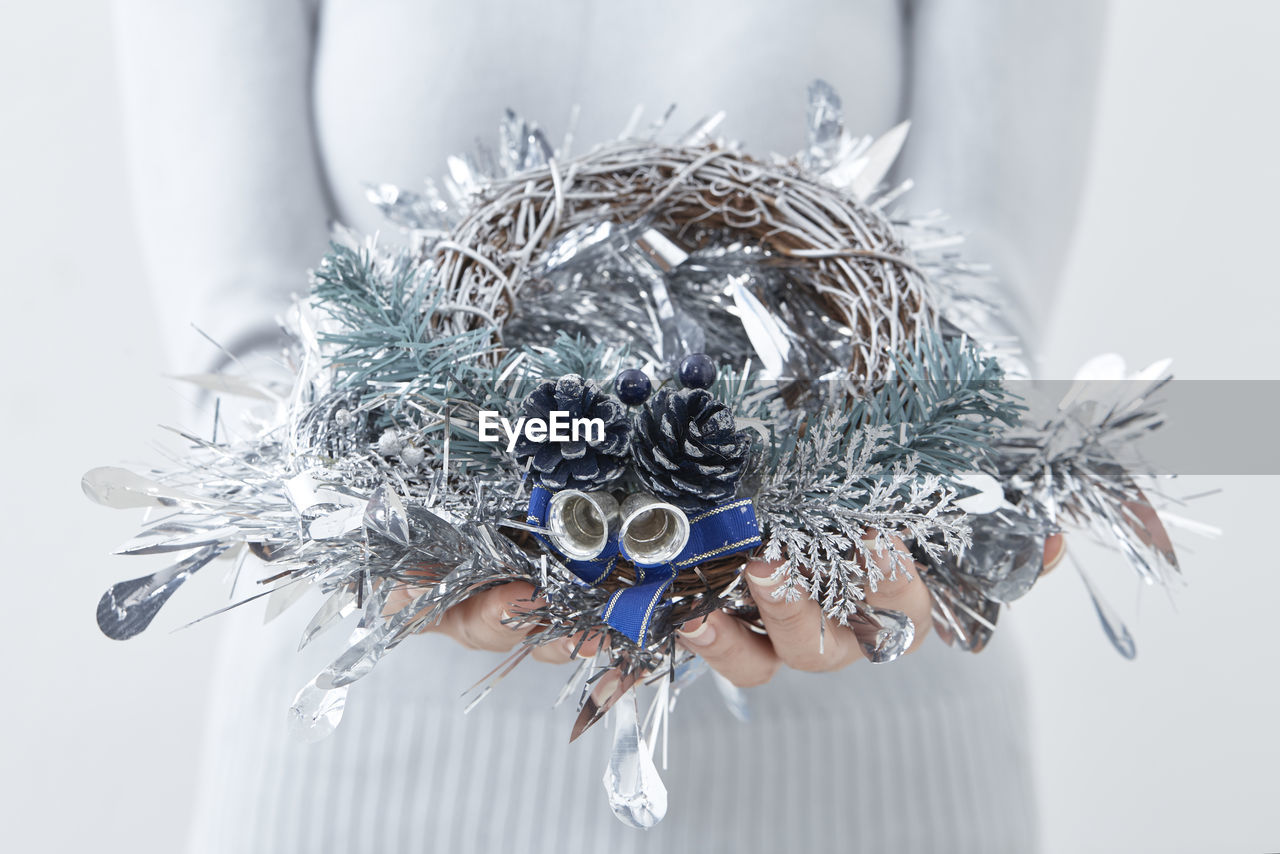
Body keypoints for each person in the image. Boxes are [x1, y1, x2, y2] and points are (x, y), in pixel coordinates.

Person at [112, 2, 1103, 851]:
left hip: (857, 772)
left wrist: (907, 519)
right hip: (372, 761)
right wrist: (402, 511)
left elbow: (969, 337)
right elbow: (242, 352)